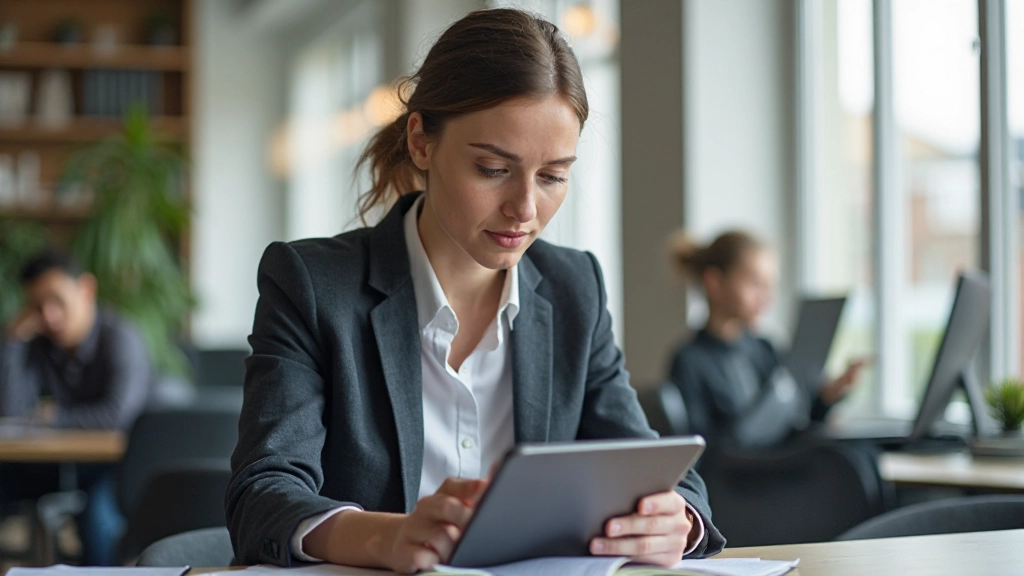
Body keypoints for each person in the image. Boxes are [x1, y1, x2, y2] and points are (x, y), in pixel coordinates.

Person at [227, 9, 724, 573]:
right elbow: (262, 496)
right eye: (492, 169)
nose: (526, 209)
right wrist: (387, 537)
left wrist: (675, 521)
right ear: (420, 141)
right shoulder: (314, 285)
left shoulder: (573, 289)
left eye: (554, 175)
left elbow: (656, 468)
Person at [0, 248, 152, 565]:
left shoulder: (121, 337)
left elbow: (116, 416)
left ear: (86, 289)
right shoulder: (39, 343)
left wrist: (53, 416)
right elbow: (10, 411)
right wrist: (13, 342)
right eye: (37, 306)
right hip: (54, 466)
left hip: (114, 469)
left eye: (57, 301)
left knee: (96, 519)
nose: (49, 316)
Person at [666, 231, 867, 450]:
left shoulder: (764, 349)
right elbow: (700, 451)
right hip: (739, 475)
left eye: (770, 286)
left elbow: (796, 419)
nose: (766, 297)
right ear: (714, 283)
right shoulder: (690, 361)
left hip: (780, 464)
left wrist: (826, 397)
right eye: (755, 284)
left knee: (857, 454)